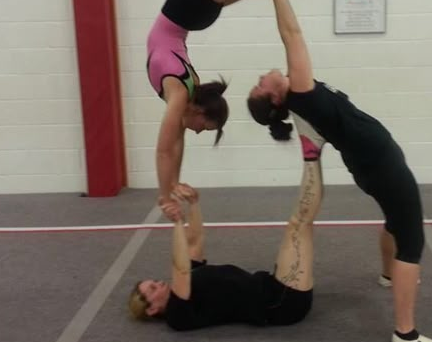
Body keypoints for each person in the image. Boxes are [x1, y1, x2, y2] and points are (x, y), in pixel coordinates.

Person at [242, 0, 432, 342]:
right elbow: (292, 35)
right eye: (260, 84)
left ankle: (389, 275)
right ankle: (405, 334)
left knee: (395, 219)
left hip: (373, 163)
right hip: (380, 165)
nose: (261, 76)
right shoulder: (300, 92)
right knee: (412, 240)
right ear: (274, 98)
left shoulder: (300, 98)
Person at [147, 0, 396, 221]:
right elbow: (175, 142)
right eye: (205, 129)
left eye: (203, 127)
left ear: (200, 111)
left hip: (184, 9)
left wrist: (165, 194)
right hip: (189, 15)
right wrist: (171, 184)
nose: (197, 131)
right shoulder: (186, 88)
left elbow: (166, 149)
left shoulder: (177, 92)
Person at [128, 117, 326, 330]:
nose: (159, 283)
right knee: (300, 225)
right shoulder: (178, 314)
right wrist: (177, 222)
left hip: (272, 285)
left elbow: (194, 243)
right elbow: (181, 268)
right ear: (151, 309)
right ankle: (312, 149)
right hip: (280, 304)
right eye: (153, 289)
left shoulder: (186, 286)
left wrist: (193, 204)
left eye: (154, 282)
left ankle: (314, 148)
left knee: (300, 226)